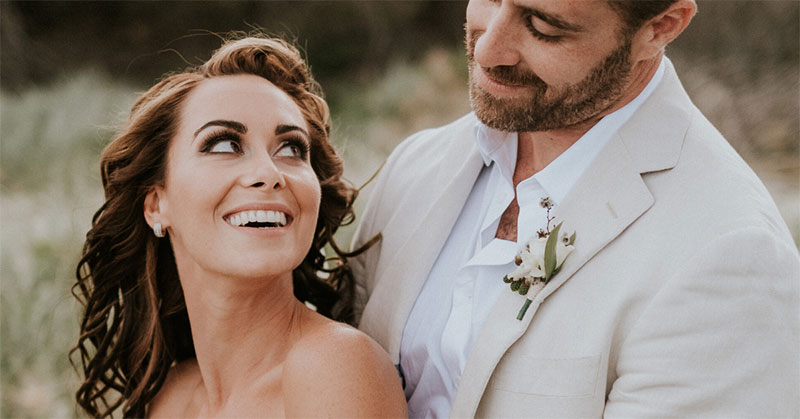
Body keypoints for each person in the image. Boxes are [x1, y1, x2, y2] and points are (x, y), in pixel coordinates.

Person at [351, 0, 800, 417]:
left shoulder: (731, 256)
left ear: (660, 27)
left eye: (544, 28)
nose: (488, 49)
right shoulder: (416, 165)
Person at [72, 35, 406, 418]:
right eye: (224, 145)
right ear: (156, 204)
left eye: (291, 148)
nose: (269, 172)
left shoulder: (334, 366)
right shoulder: (169, 395)